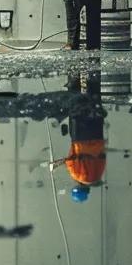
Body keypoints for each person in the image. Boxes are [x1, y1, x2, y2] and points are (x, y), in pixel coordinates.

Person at [51, 69, 107, 203]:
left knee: (94, 99)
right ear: (77, 187)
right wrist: (57, 164)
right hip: (80, 138)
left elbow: (102, 157)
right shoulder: (77, 175)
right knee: (75, 102)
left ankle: (93, 68)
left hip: (97, 135)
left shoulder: (98, 174)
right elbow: (71, 160)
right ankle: (74, 72)